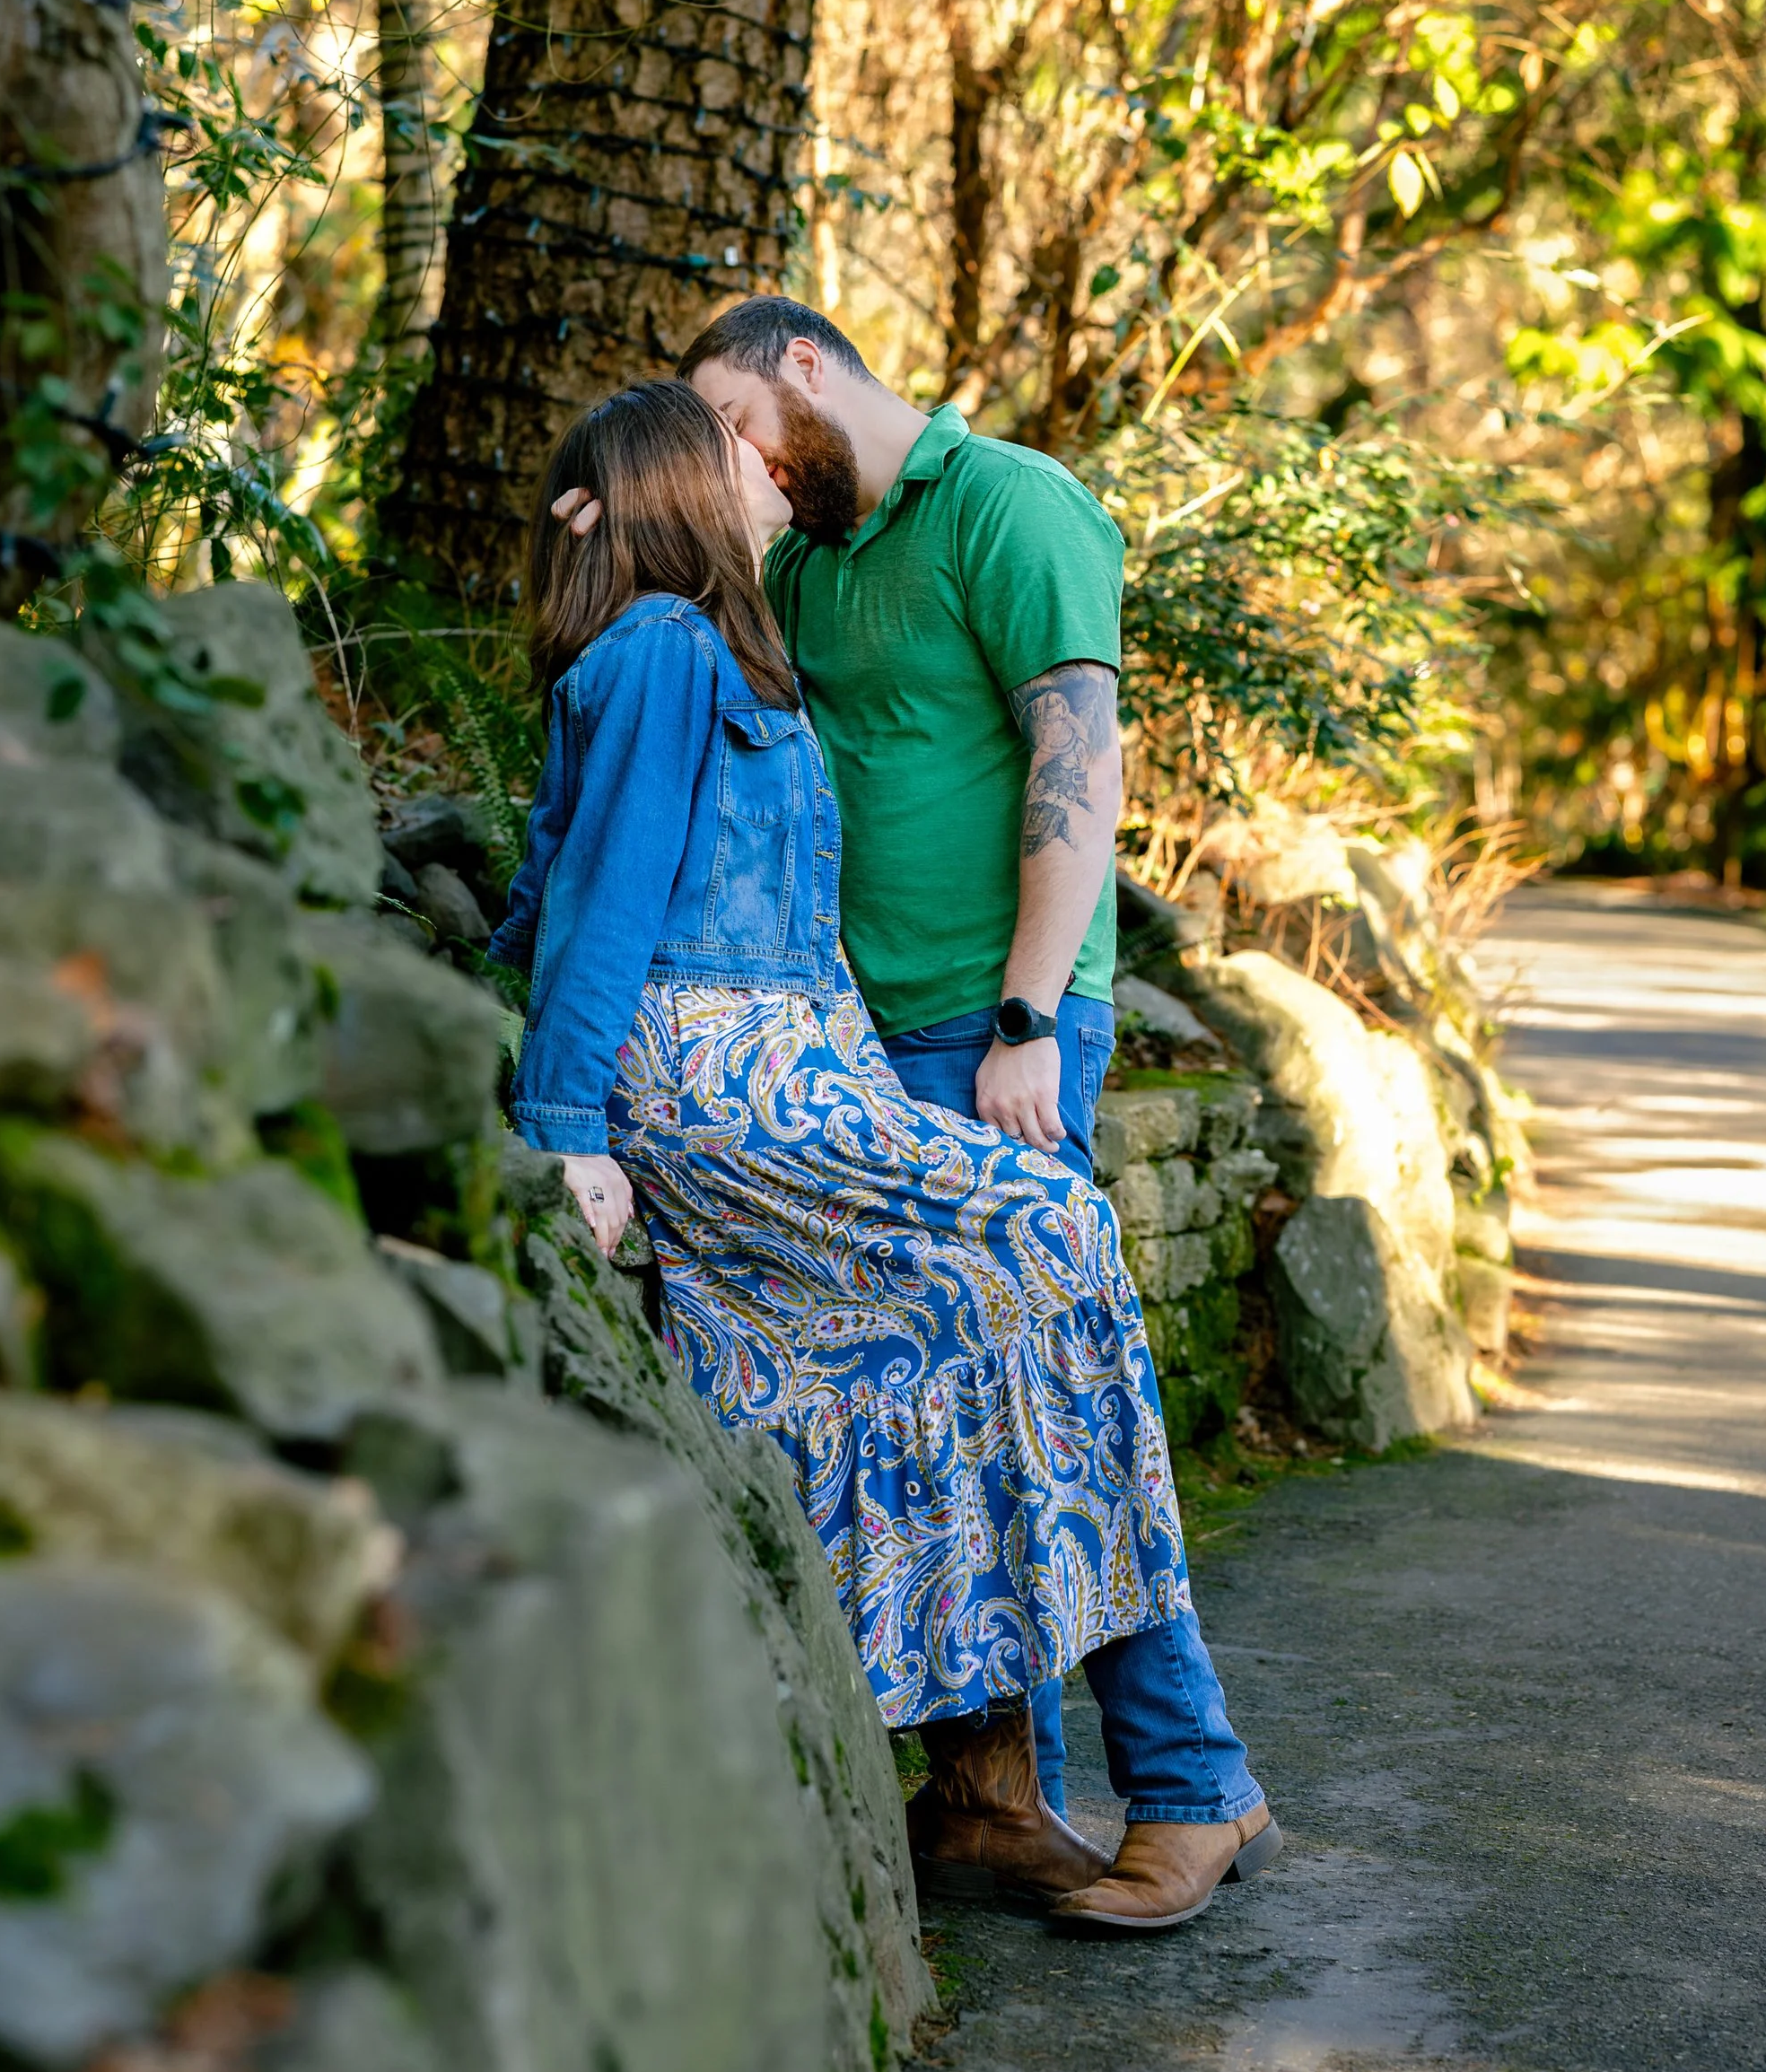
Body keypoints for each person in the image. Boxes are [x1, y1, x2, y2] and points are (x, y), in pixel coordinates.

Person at [499, 380, 1277, 1935]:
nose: (764, 456)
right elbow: (586, 909)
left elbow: (558, 869)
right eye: (725, 442)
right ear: (677, 481)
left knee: (915, 1343)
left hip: (805, 1058)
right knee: (1051, 1243)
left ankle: (993, 1789)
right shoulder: (663, 646)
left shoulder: (719, 628)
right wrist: (566, 1129)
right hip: (719, 1068)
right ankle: (1186, 1781)